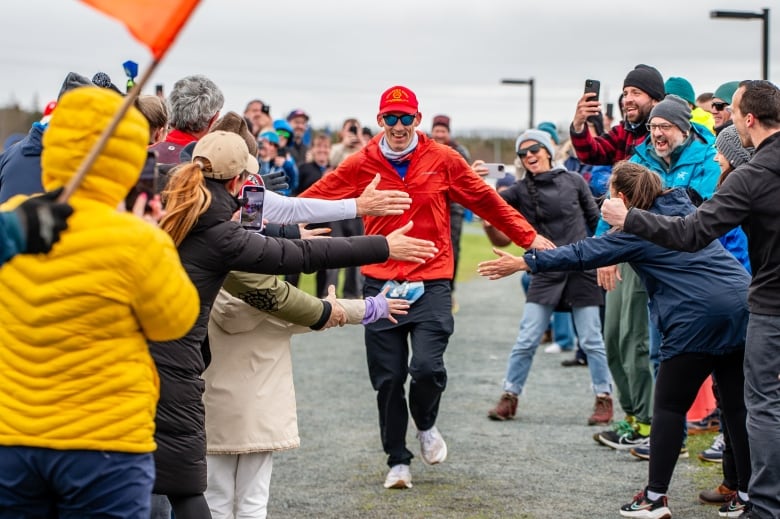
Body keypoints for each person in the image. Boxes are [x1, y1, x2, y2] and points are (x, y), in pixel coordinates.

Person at [150, 130, 438, 517]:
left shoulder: (165, 211)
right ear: (238, 183)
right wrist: (382, 248)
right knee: (188, 492)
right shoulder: (222, 236)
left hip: (141, 361)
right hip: (176, 369)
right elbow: (297, 259)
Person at [300, 85, 554, 490]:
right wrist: (289, 224)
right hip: (380, 282)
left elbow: (487, 201)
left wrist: (528, 237)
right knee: (387, 378)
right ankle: (397, 460)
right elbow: (319, 196)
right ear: (379, 120)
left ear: (417, 120)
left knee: (427, 368)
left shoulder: (444, 159)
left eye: (406, 118)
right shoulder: (361, 162)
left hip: (432, 278)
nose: (398, 126)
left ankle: (426, 423)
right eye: (390, 118)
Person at [479, 161, 753, 519]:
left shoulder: (635, 232)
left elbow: (580, 254)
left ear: (621, 200)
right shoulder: (684, 205)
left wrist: (524, 263)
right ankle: (746, 495)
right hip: (740, 305)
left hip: (695, 318)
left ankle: (655, 498)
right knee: (736, 406)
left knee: (669, 408)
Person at [0, 86, 200, 517]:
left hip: (12, 435)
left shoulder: (12, 221)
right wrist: (154, 235)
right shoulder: (136, 238)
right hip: (106, 442)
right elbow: (176, 319)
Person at [601, 79, 780, 519]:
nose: (725, 120)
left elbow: (692, 232)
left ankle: (765, 504)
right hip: (743, 298)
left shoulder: (751, 176)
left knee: (762, 406)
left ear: (749, 120)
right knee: (745, 403)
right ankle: (742, 493)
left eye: (731, 112)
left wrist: (631, 219)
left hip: (766, 304)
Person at [204, 274, 407, 519]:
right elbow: (315, 312)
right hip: (261, 415)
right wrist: (372, 307)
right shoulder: (275, 304)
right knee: (254, 501)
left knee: (214, 499)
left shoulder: (204, 294)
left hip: (212, 412)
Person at [482, 129, 613, 426]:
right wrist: (483, 205)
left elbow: (596, 223)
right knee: (526, 339)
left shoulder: (574, 180)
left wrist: (605, 258)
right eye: (523, 153)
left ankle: (604, 398)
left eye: (535, 149)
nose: (529, 156)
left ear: (548, 150)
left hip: (582, 270)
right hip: (544, 270)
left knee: (592, 340)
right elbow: (497, 223)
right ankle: (509, 396)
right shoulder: (517, 190)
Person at [572, 64, 666, 452]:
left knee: (636, 340)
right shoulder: (624, 134)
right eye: (625, 92)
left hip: (646, 248)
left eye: (636, 93)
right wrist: (579, 124)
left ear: (655, 100)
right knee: (613, 337)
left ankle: (647, 423)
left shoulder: (660, 138)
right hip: (617, 242)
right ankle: (631, 416)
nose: (628, 99)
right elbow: (591, 153)